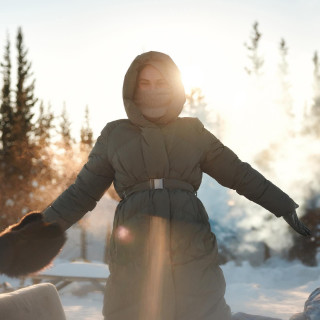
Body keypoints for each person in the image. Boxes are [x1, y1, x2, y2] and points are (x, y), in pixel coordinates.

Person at [0, 51, 311, 320]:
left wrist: (283, 204)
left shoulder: (193, 131)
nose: (152, 90)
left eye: (161, 83)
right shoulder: (114, 135)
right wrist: (29, 236)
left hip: (191, 242)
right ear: (133, 90)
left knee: (200, 309)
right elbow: (81, 192)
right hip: (134, 243)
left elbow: (239, 174)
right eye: (144, 84)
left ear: (174, 86)